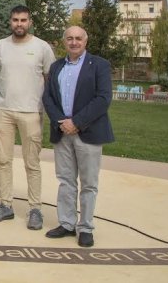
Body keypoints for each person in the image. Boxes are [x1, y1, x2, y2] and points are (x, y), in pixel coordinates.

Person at [43, 26, 114, 248]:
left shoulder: (99, 65)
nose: (74, 42)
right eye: (70, 39)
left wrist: (77, 122)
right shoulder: (57, 67)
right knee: (65, 181)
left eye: (78, 38)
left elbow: (103, 99)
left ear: (86, 40)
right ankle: (66, 223)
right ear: (64, 41)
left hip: (88, 132)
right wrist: (61, 122)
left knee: (89, 184)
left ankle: (85, 227)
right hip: (62, 131)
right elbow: (48, 98)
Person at [0, 5, 56, 230]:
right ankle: (5, 204)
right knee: (3, 160)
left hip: (31, 111)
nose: (19, 24)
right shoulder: (0, 46)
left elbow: (50, 79)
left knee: (32, 163)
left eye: (23, 20)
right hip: (4, 110)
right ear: (10, 21)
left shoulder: (42, 47)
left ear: (30, 22)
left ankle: (35, 208)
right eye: (15, 20)